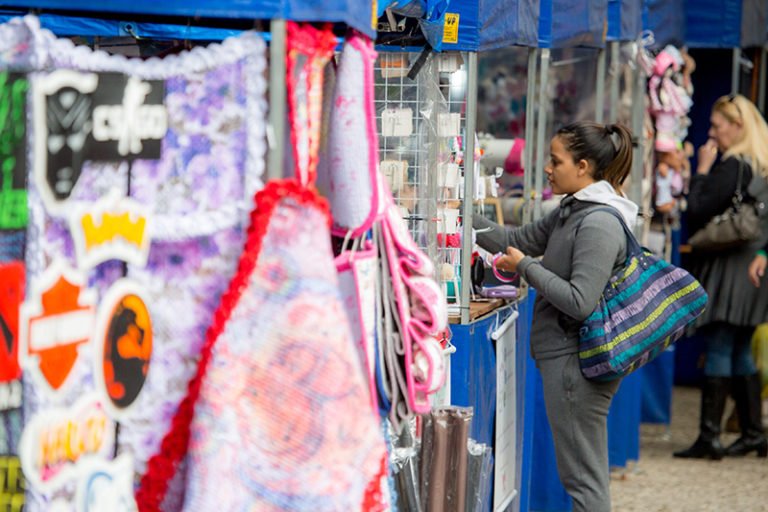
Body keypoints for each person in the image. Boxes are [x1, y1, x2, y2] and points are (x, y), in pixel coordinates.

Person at [473, 121, 637, 512]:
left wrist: (527, 267)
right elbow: (515, 241)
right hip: (565, 361)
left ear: (582, 166)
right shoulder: (573, 210)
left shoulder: (598, 222)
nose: (547, 168)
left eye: (555, 160)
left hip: (576, 366)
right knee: (578, 476)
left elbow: (579, 300)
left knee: (584, 482)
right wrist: (459, 211)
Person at [674, 94, 768, 460]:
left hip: (729, 267)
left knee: (719, 345)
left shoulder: (732, 166)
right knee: (740, 347)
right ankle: (752, 433)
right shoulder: (760, 165)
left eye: (717, 126)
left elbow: (696, 210)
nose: (712, 133)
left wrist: (701, 169)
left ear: (737, 126)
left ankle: (710, 437)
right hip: (751, 267)